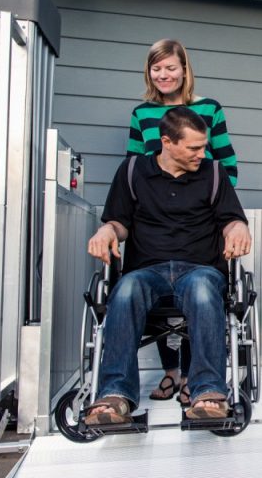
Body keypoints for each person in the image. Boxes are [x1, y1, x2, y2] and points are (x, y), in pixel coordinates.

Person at [83, 107, 252, 424]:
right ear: (167, 142)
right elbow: (119, 222)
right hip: (147, 271)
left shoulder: (214, 174)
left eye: (204, 146)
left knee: (203, 291)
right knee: (125, 289)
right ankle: (115, 397)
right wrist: (107, 230)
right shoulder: (133, 171)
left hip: (199, 270)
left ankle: (208, 394)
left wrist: (238, 228)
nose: (202, 153)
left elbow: (230, 220)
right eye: (194, 148)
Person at [127, 39, 239, 404]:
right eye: (156, 68)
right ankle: (170, 372)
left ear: (184, 69)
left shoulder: (209, 108)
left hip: (199, 216)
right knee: (152, 279)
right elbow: (135, 166)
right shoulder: (142, 113)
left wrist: (214, 203)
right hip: (155, 217)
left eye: (170, 67)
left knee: (198, 287)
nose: (164, 75)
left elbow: (225, 162)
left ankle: (194, 376)